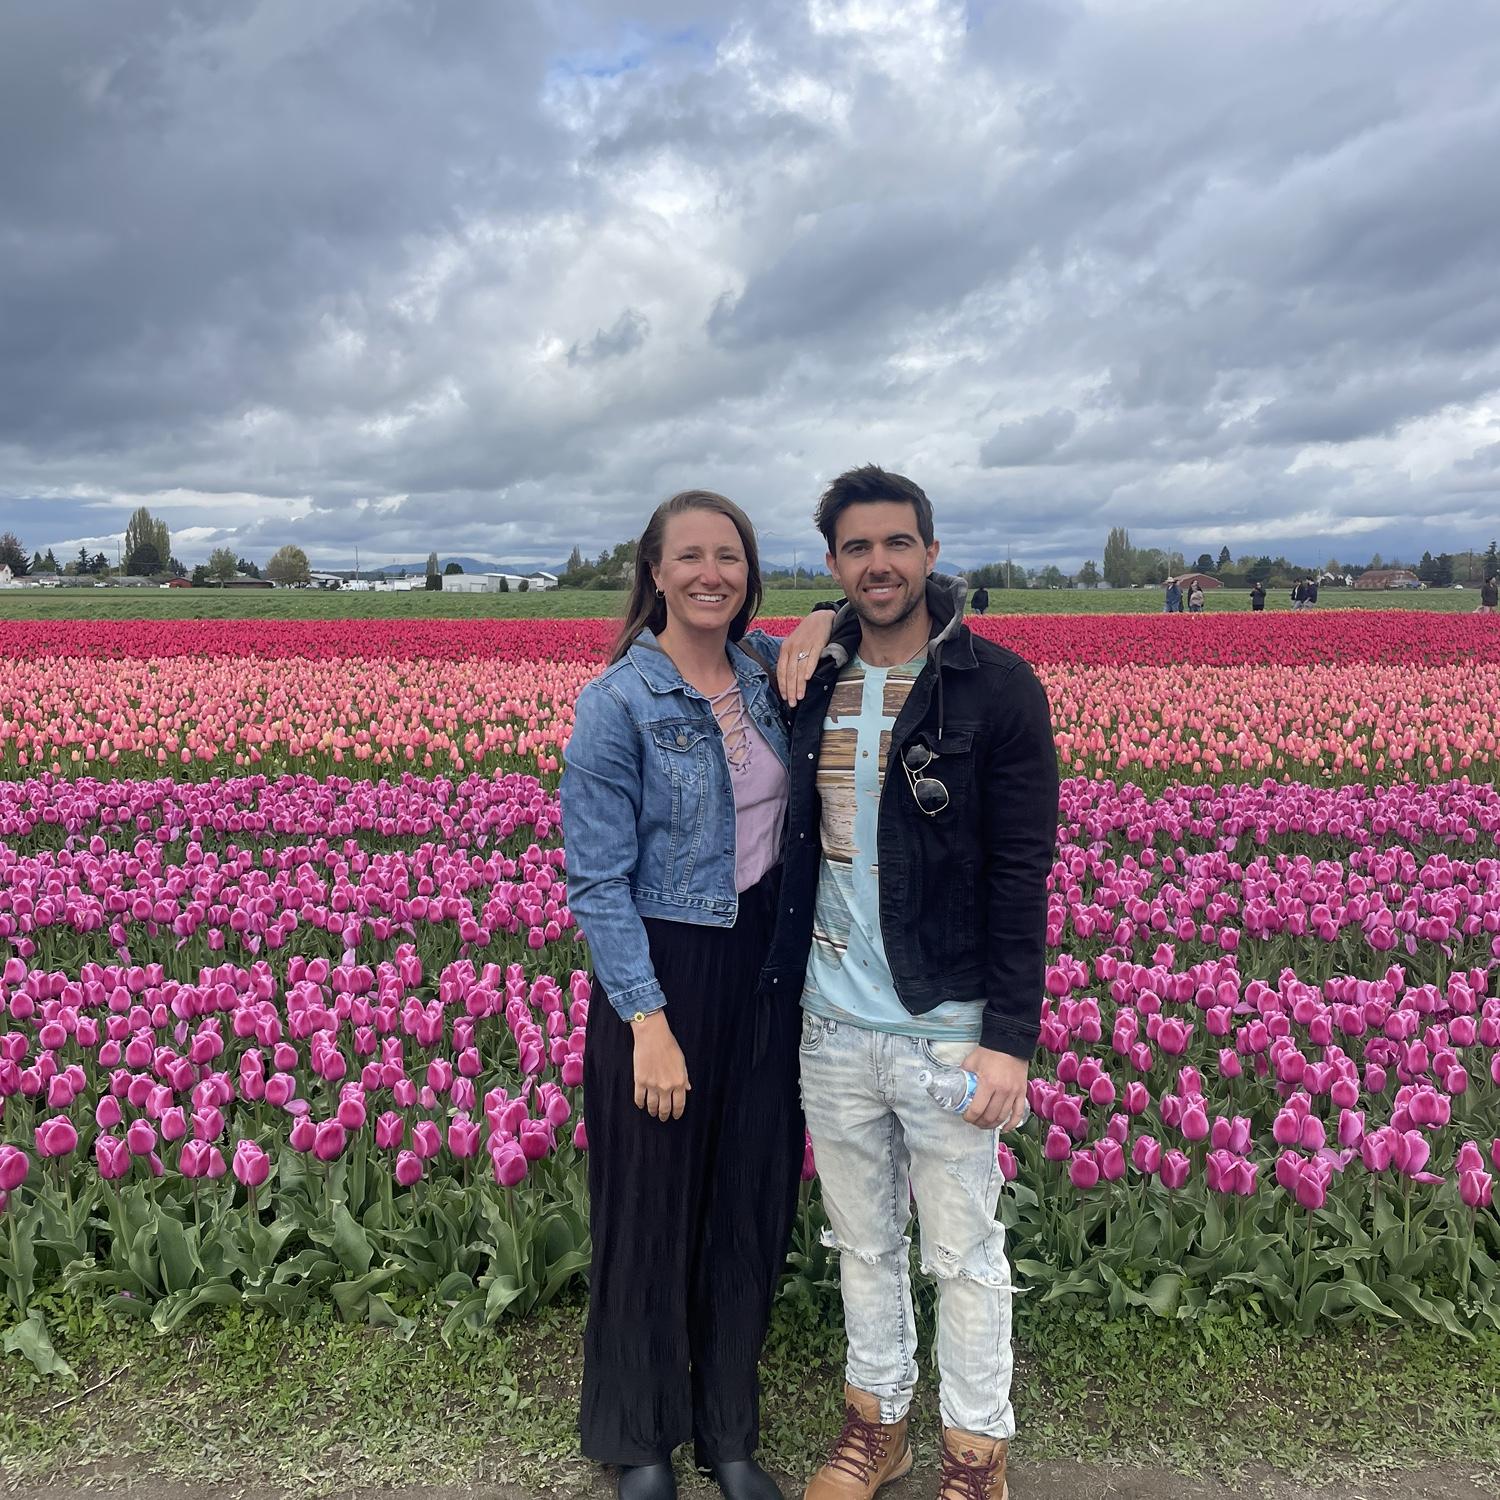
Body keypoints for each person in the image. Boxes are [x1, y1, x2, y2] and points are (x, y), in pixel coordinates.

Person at [759, 466, 1059, 1500]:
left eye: (896, 544)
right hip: (832, 1021)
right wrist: (808, 625)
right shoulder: (806, 682)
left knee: (966, 1252)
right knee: (861, 1241)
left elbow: (1023, 874)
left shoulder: (999, 688)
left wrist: (1009, 1037)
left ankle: (977, 1456)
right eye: (855, 549)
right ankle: (875, 1423)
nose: (878, 563)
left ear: (931, 553)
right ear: (834, 564)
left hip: (947, 1023)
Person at [561, 491, 833, 1500]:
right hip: (664, 971)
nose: (711, 573)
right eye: (692, 557)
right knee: (650, 1205)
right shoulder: (618, 701)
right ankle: (637, 1437)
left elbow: (896, 606)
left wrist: (819, 618)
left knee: (748, 1198)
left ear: (748, 572)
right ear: (657, 571)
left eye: (730, 557)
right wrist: (647, 1022)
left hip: (766, 967)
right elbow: (595, 879)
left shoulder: (768, 669)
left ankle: (727, 1430)